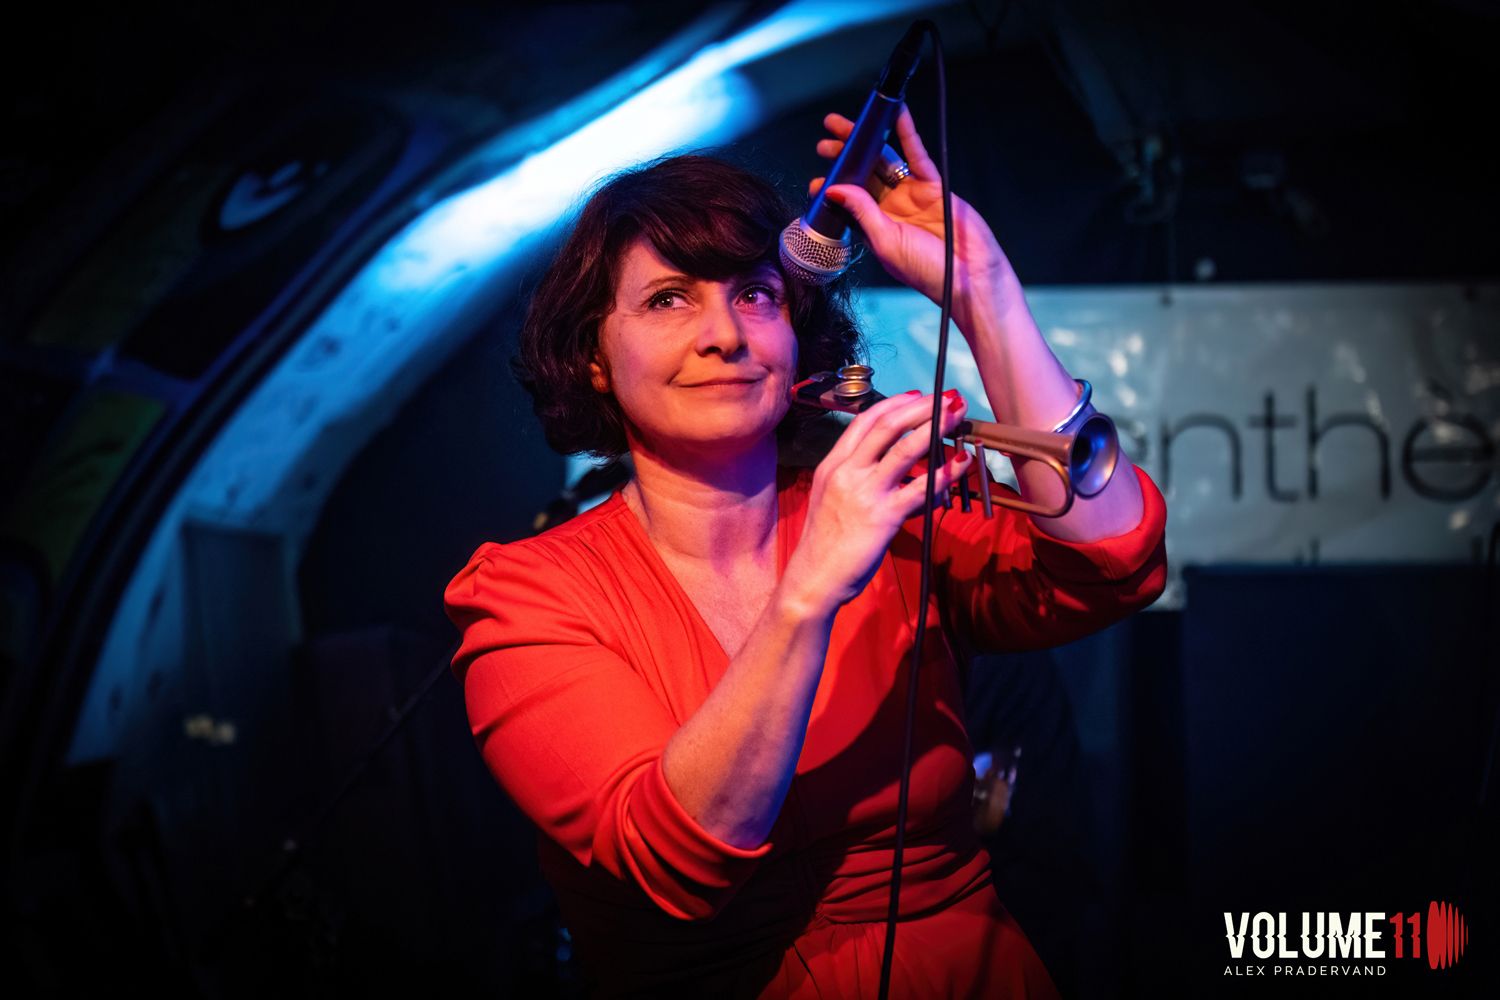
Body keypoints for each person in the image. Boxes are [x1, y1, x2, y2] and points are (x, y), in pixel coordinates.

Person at [444, 107, 1167, 997]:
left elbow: (1114, 561)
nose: (726, 334)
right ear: (591, 358)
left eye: (756, 294)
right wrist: (811, 589)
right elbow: (675, 858)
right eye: (668, 299)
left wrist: (984, 293)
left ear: (796, 340)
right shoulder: (523, 594)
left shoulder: (889, 518)